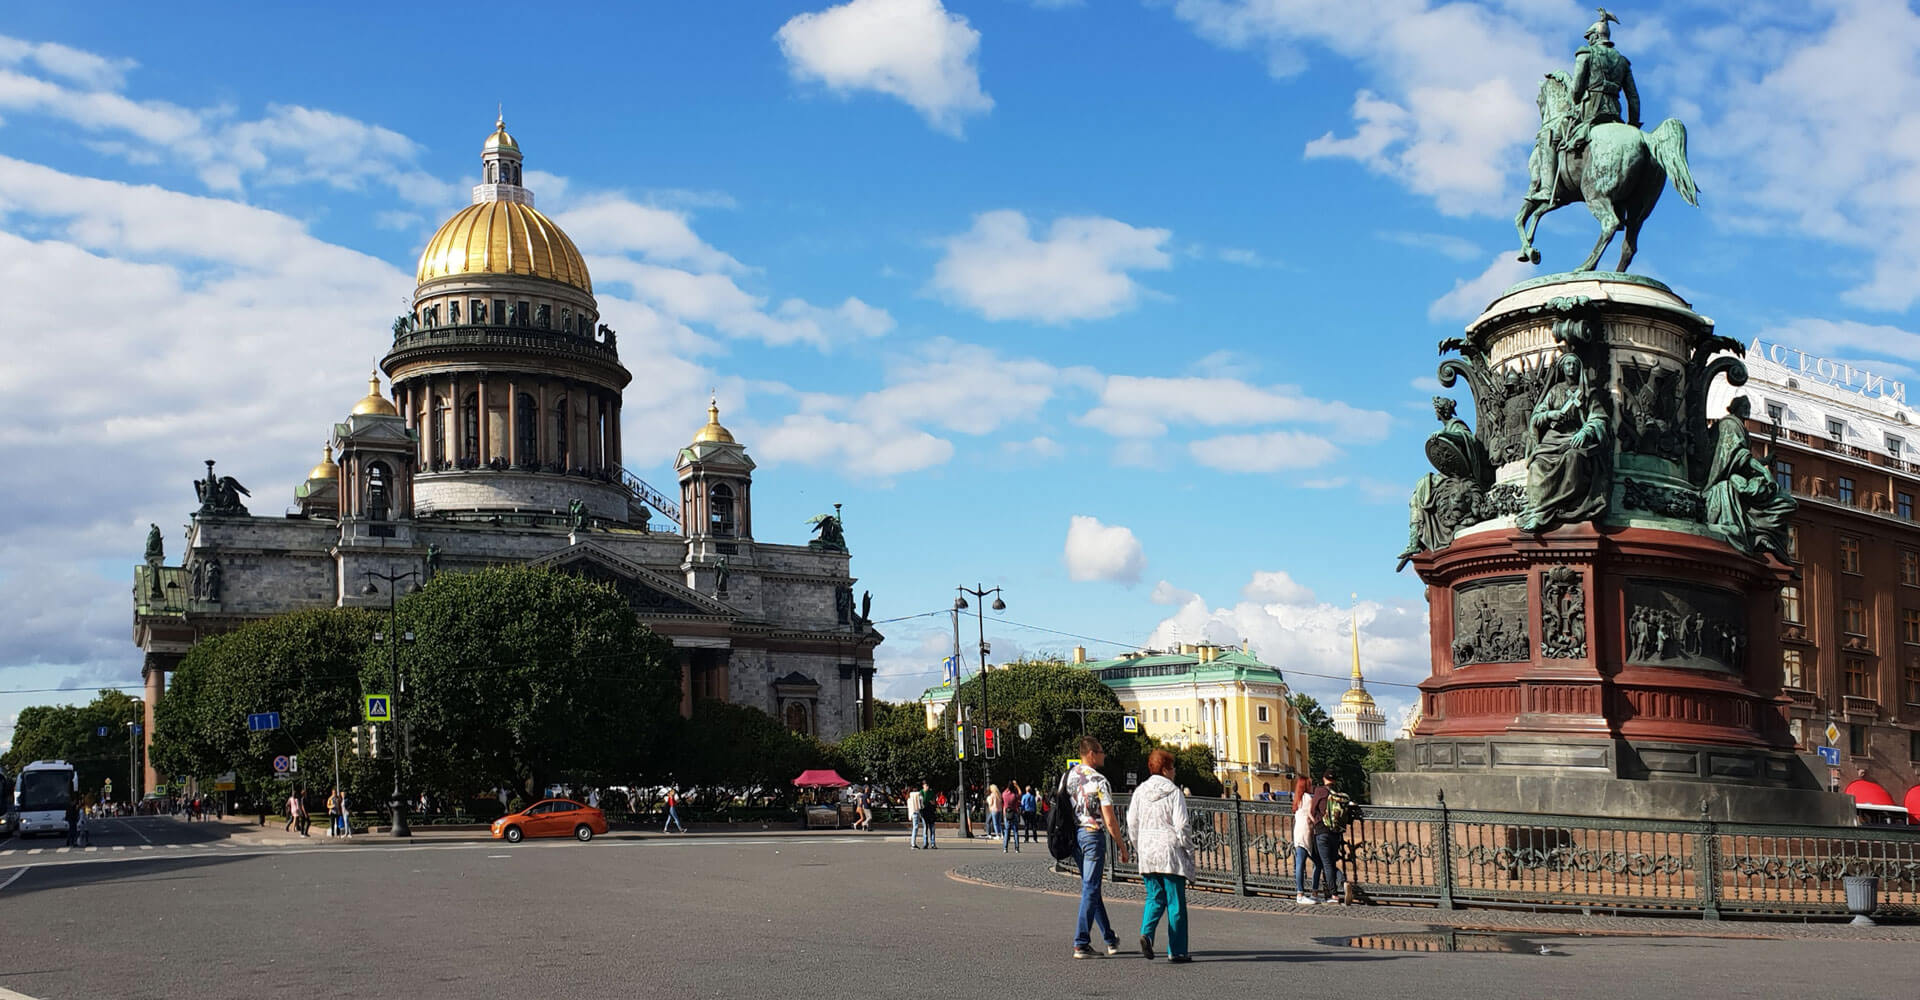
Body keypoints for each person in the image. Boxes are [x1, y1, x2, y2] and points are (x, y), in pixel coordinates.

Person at [1066, 736, 1129, 959]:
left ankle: (1110, 938)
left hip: (1075, 837)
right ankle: (1081, 943)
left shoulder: (1069, 777)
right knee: (1091, 889)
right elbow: (1110, 819)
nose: (1104, 755)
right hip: (1093, 837)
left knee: (1091, 888)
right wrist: (1122, 847)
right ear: (1092, 753)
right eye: (1101, 752)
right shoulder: (1100, 781)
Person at [1129, 749, 1195, 963]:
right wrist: (1188, 848)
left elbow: (1132, 823)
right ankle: (1176, 950)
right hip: (1169, 851)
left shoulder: (1140, 791)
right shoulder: (1174, 792)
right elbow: (1182, 825)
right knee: (1175, 902)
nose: (1174, 771)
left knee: (1154, 897)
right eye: (1173, 767)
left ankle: (1146, 933)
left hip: (1148, 850)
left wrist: (1138, 845)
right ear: (1166, 769)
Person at [1308, 771, 1343, 903]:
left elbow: (1312, 810)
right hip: (1336, 832)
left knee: (1326, 863)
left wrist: (1316, 822)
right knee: (1331, 862)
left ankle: (1333, 894)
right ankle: (1343, 882)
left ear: (1324, 779)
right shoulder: (1337, 792)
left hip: (1322, 831)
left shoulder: (1320, 791)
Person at [1291, 775, 1318, 905]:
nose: (1311, 786)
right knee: (1301, 863)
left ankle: (1309, 892)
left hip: (1298, 831)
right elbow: (1310, 815)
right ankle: (1300, 893)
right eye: (1310, 784)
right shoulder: (1307, 798)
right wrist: (1319, 823)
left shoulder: (1297, 798)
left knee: (1301, 862)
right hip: (1305, 833)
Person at [1000, 781, 1022, 853]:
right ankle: (1017, 848)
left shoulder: (1004, 794)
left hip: (1007, 813)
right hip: (1014, 813)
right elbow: (1020, 793)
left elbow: (1004, 792)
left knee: (1006, 831)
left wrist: (1009, 786)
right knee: (1015, 831)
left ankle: (1005, 848)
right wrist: (1016, 785)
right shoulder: (1014, 795)